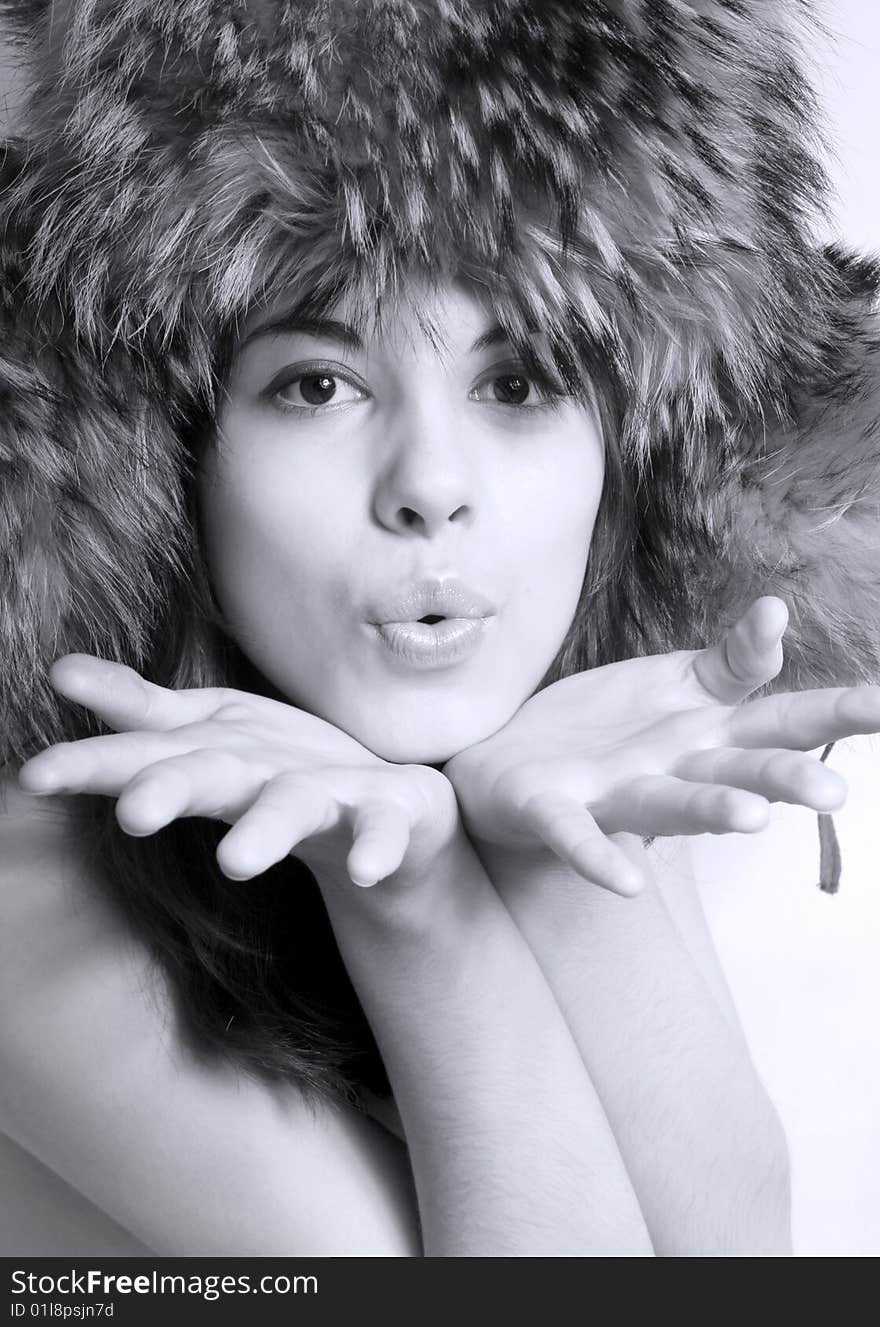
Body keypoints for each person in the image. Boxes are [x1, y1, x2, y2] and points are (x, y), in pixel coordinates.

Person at [1, 0, 879, 1257]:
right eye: (317, 383)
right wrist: (413, 906)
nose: (431, 483)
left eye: (516, 383)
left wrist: (556, 869)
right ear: (167, 454)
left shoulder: (570, 747)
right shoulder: (29, 868)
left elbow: (738, 1255)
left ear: (623, 452)